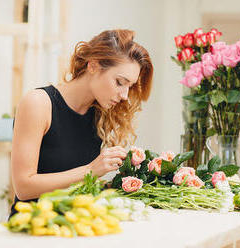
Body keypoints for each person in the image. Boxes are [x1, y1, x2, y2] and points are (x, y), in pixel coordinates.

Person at [9, 29, 153, 218]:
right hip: (32, 229)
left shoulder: (100, 113)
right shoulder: (38, 103)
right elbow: (23, 187)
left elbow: (73, 185)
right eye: (119, 82)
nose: (125, 95)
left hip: (77, 226)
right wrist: (91, 171)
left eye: (130, 86)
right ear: (93, 66)